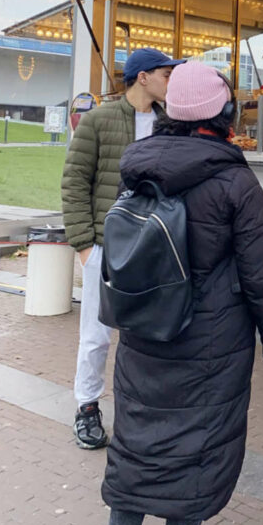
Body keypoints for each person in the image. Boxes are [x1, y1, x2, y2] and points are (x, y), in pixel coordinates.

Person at [86, 59, 263, 525]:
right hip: (211, 344)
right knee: (195, 456)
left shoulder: (138, 167)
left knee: (137, 452)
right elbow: (259, 275)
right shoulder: (235, 181)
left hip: (145, 335)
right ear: (224, 114)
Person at [61, 47, 184, 449]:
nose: (172, 81)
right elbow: (74, 183)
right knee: (96, 335)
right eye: (166, 74)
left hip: (151, 247)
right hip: (103, 246)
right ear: (143, 77)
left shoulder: (172, 123)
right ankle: (87, 408)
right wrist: (84, 246)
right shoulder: (98, 121)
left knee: (146, 334)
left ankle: (140, 410)